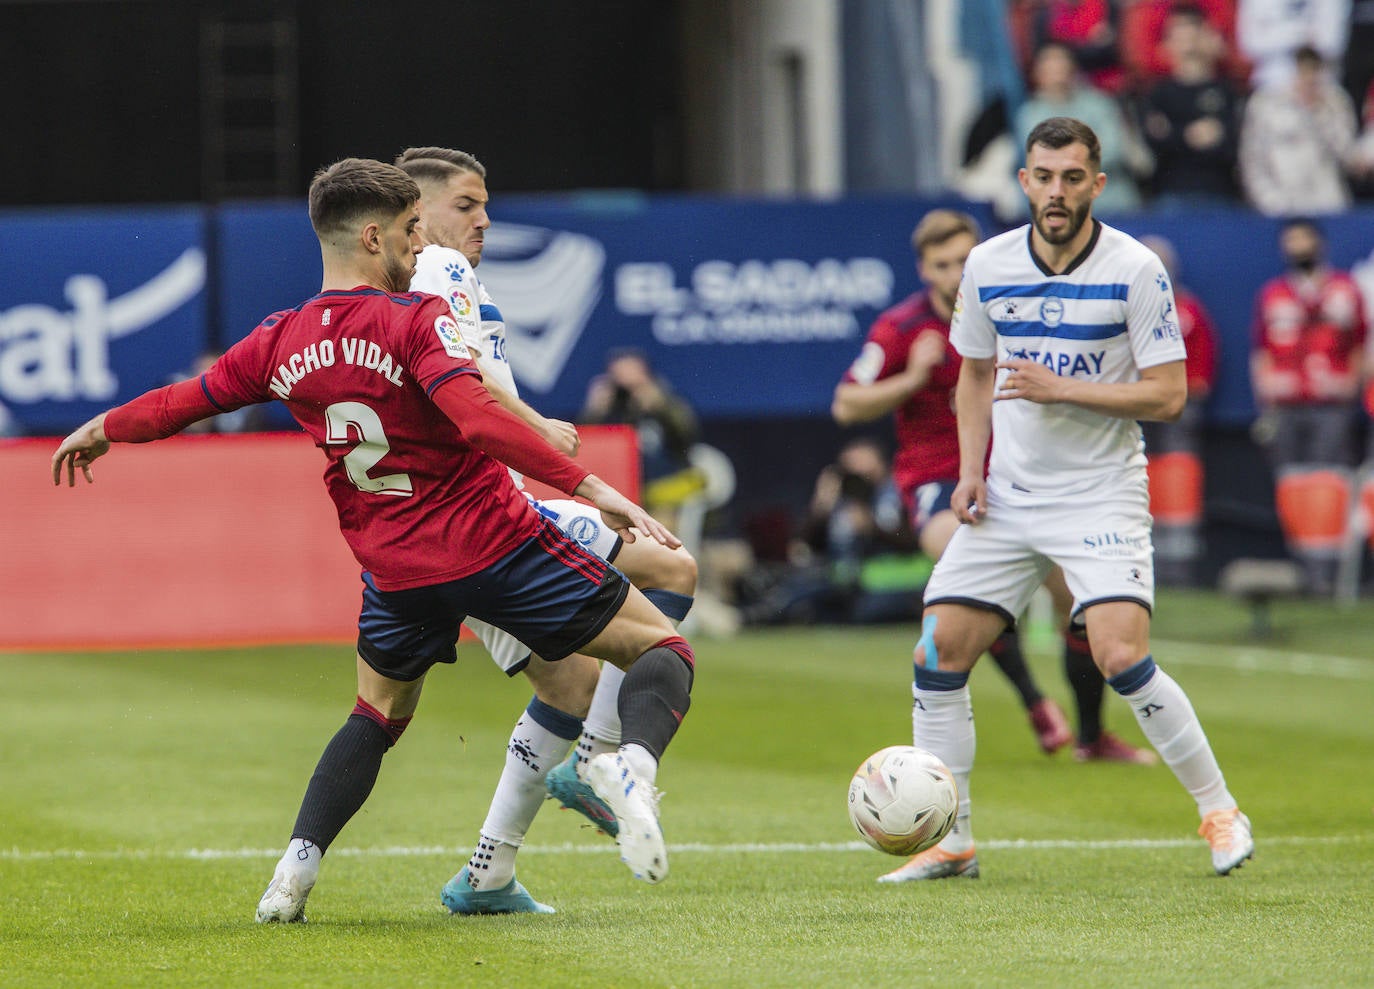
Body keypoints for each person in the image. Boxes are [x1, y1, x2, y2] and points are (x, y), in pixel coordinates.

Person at [51, 158, 698, 922]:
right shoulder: (411, 321)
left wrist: (102, 428)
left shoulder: (280, 340)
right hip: (495, 541)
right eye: (408, 231)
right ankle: (623, 765)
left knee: (376, 715)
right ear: (371, 236)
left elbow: (182, 403)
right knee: (663, 647)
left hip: (395, 571)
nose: (419, 245)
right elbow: (481, 419)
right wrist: (594, 487)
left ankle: (290, 877)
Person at [888, 117, 1253, 883]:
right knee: (937, 652)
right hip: (1010, 495)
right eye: (1044, 176)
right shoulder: (987, 265)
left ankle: (1219, 809)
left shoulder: (1135, 269)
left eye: (1072, 177)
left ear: (1097, 183)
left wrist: (1064, 388)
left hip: (1100, 494)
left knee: (1121, 653)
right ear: (1024, 182)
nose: (1057, 191)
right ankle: (952, 839)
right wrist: (970, 469)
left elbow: (1170, 394)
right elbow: (974, 374)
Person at [396, 145, 699, 914]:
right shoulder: (436, 270)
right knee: (672, 571)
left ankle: (488, 874)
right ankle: (597, 762)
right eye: (467, 204)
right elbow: (461, 388)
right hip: (484, 514)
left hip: (460, 519)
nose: (485, 219)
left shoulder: (436, 279)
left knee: (570, 683)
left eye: (486, 203)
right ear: (418, 213)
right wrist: (537, 425)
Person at [836, 208, 1102, 768]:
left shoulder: (1015, 313)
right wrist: (910, 377)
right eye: (942, 264)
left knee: (1074, 602)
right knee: (967, 566)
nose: (956, 273)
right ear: (923, 269)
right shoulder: (902, 329)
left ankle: (1093, 736)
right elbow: (846, 402)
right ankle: (1035, 704)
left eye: (964, 259)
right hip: (936, 478)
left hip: (1019, 472)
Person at [1250, 217, 1367, 594]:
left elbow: (1361, 343)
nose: (1297, 247)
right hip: (1286, 403)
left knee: (1329, 481)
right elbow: (1261, 350)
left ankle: (1329, 573)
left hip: (1330, 402)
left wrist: (1352, 384)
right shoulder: (1274, 294)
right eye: (1291, 240)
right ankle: (1303, 567)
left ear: (1319, 242)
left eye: (1303, 239)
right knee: (1292, 482)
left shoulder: (1345, 291)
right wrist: (1265, 399)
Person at [1139, 234, 1220, 587]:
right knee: (1139, 472)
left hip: (1179, 406)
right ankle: (1142, 559)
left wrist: (1198, 382)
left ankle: (1178, 567)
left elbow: (1205, 349)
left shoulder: (1187, 308)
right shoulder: (1129, 311)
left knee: (1177, 475)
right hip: (1135, 404)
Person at [1014, 41, 1151, 215]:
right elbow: (1039, 159)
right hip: (1057, 202)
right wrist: (1083, 153)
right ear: (1037, 73)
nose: (1058, 73)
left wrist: (1064, 158)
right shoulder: (1029, 113)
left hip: (1111, 198)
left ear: (1073, 69)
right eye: (1050, 67)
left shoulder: (1100, 104)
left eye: (1062, 65)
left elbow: (1113, 150)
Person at [1139, 4, 1245, 209]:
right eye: (1180, 38)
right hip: (1170, 192)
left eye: (1192, 37)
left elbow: (1234, 142)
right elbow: (1155, 143)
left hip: (1220, 192)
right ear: (1168, 44)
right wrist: (1190, 135)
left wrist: (1175, 133)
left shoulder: (1227, 91)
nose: (1187, 45)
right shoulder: (1157, 94)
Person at [580, 348, 701, 526]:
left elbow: (687, 437)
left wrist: (661, 407)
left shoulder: (664, 401)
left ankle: (660, 549)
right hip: (617, 484)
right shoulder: (610, 408)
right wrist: (594, 411)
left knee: (663, 507)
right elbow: (582, 447)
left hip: (663, 480)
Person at [1239, 44, 1358, 217]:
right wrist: (1271, 202)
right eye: (1303, 70)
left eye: (1313, 70)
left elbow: (1346, 154)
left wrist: (1319, 112)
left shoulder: (1335, 101)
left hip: (1328, 205)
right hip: (1278, 207)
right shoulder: (1266, 103)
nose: (1308, 78)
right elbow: (1252, 158)